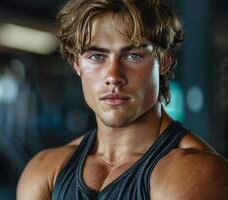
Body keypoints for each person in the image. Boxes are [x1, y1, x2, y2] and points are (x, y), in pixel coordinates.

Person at [17, 0, 228, 199]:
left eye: (133, 55)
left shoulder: (196, 173)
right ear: (76, 64)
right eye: (97, 56)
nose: (113, 76)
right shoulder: (45, 170)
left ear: (164, 61)